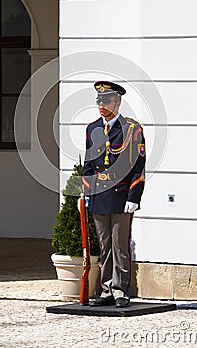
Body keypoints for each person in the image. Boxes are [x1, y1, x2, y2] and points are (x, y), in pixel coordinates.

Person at [82, 81, 146, 308]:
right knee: (104, 245)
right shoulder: (92, 129)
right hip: (100, 195)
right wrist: (88, 192)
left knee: (120, 245)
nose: (102, 105)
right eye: (99, 101)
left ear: (117, 102)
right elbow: (89, 163)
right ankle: (107, 289)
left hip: (121, 195)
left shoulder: (131, 128)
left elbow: (138, 165)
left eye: (106, 100)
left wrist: (134, 197)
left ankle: (121, 291)